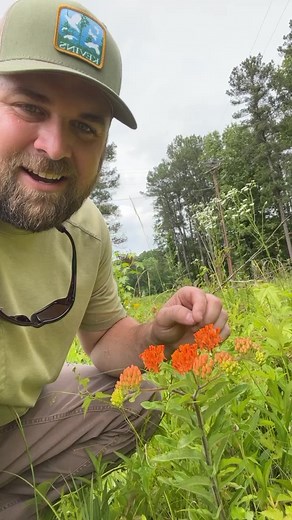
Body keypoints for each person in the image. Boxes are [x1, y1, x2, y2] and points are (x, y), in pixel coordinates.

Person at [0, 0, 230, 518]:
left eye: (85, 126)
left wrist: (156, 337)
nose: (55, 147)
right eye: (30, 108)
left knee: (138, 397)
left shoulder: (87, 230)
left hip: (12, 419)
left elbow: (103, 339)